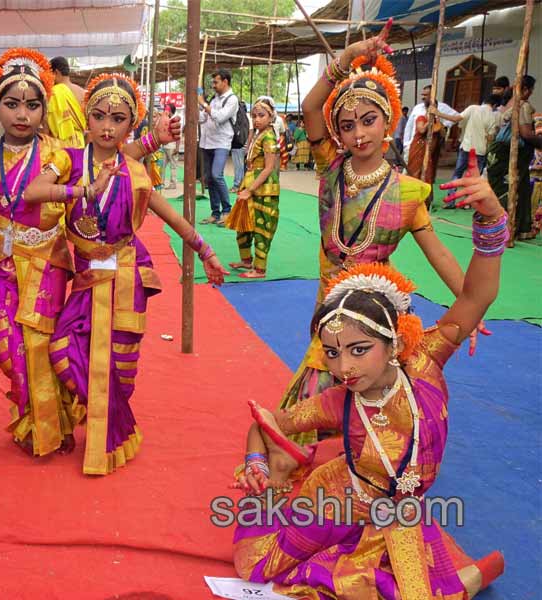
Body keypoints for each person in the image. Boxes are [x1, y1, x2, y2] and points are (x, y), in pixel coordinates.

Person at [232, 170, 507, 595]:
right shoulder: (337, 400)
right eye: (332, 352)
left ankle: (471, 575)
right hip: (340, 499)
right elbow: (265, 422)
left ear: (394, 341)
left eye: (359, 350)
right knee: (258, 568)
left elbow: (476, 297)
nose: (344, 367)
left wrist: (491, 216)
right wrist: (256, 463)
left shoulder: (425, 361)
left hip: (399, 512)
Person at [0, 50, 180, 459]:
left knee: (43, 349)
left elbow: (109, 157)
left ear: (45, 109)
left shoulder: (59, 153)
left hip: (47, 262)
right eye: (12, 104)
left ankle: (50, 424)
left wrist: (150, 142)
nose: (22, 114)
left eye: (33, 104)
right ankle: (42, 416)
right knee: (9, 352)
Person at [284, 27, 483, 445]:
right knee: (325, 379)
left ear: (388, 120)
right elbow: (310, 106)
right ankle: (326, 452)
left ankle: (369, 457)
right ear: (337, 132)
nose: (360, 133)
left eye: (369, 120)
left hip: (375, 306)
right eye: (348, 125)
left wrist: (471, 304)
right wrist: (348, 56)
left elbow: (438, 253)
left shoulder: (407, 191)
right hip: (329, 302)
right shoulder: (330, 167)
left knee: (369, 382)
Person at [22, 73, 226, 475]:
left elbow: (172, 219)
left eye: (118, 119)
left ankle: (108, 428)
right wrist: (83, 191)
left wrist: (206, 251)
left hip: (125, 278)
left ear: (129, 125)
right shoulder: (66, 161)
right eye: (99, 116)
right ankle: (112, 419)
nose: (107, 126)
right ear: (86, 118)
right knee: (63, 351)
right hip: (84, 281)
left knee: (120, 367)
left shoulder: (135, 172)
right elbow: (33, 191)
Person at [224, 96, 281, 279]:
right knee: (243, 225)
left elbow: (269, 168)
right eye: (254, 115)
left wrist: (250, 190)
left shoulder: (269, 137)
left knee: (261, 229)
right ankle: (246, 260)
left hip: (263, 191)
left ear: (271, 117)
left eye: (261, 115)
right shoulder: (258, 135)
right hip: (248, 185)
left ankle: (259, 269)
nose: (257, 119)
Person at [487, 75, 540, 239]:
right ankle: (505, 227)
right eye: (530, 90)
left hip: (498, 151)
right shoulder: (522, 106)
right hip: (508, 153)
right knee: (509, 189)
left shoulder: (506, 106)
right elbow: (526, 134)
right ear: (526, 90)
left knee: (518, 188)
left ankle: (518, 227)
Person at [198, 69, 239, 224]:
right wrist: (199, 106)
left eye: (216, 82)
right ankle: (215, 213)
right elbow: (202, 118)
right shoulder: (214, 100)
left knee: (217, 175)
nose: (213, 85)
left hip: (222, 142)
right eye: (212, 82)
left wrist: (203, 103)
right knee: (209, 178)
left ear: (225, 82)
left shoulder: (232, 99)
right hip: (207, 142)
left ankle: (227, 210)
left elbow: (220, 117)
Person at [402, 84, 460, 168]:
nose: (423, 97)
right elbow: (409, 127)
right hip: (412, 147)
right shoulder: (417, 108)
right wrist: (406, 144)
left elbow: (457, 117)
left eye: (425, 95)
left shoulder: (442, 107)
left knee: (425, 176)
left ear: (432, 95)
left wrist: (443, 123)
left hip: (430, 150)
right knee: (408, 174)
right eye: (422, 95)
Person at [448, 95, 498, 187]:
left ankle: (451, 199)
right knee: (475, 179)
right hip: (480, 151)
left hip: (466, 147)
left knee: (457, 174)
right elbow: (490, 138)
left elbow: (456, 120)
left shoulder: (472, 108)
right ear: (494, 106)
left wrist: (438, 113)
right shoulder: (492, 116)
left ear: (484, 101)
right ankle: (471, 200)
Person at [47, 56, 87, 148]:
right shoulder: (82, 91)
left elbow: (49, 124)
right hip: (81, 143)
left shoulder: (54, 92)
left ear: (55, 72)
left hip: (60, 145)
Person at [161, 104, 180, 189]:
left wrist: (177, 148)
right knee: (163, 165)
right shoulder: (167, 119)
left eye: (166, 110)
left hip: (171, 146)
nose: (165, 111)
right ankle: (161, 183)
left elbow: (178, 135)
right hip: (166, 146)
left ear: (170, 111)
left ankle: (172, 184)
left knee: (172, 166)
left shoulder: (175, 120)